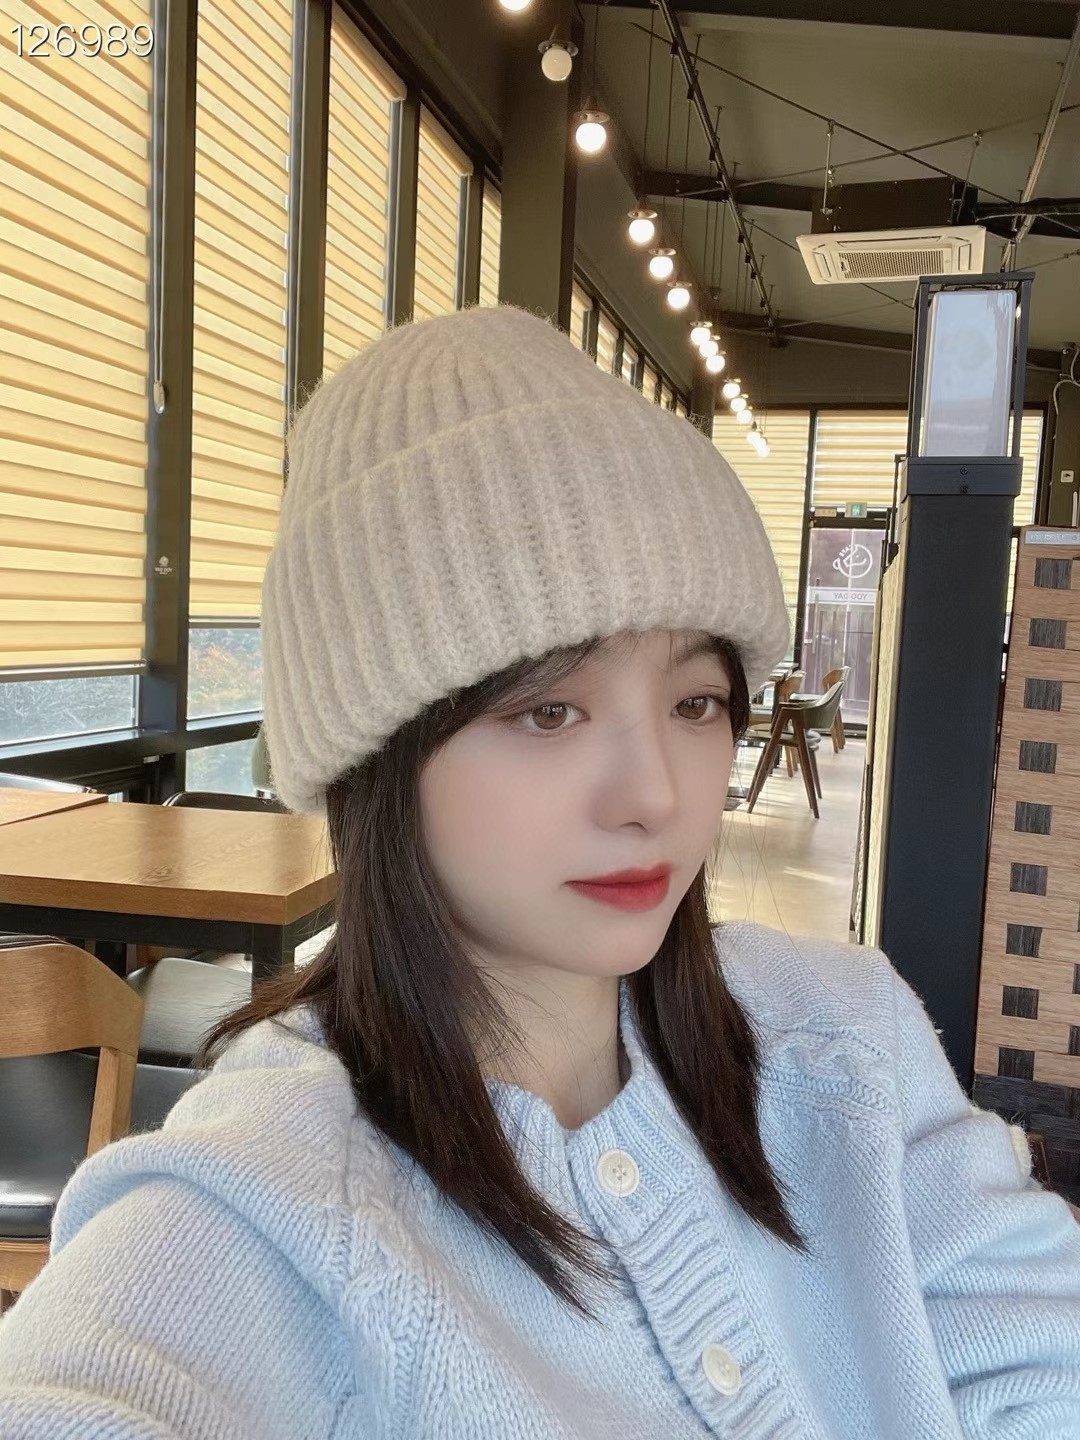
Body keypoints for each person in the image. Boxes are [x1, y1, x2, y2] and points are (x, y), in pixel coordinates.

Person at [1, 305, 1078, 1438]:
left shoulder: (848, 1037)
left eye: (695, 702)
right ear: (380, 757)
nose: (655, 795)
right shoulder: (271, 1195)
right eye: (548, 711)